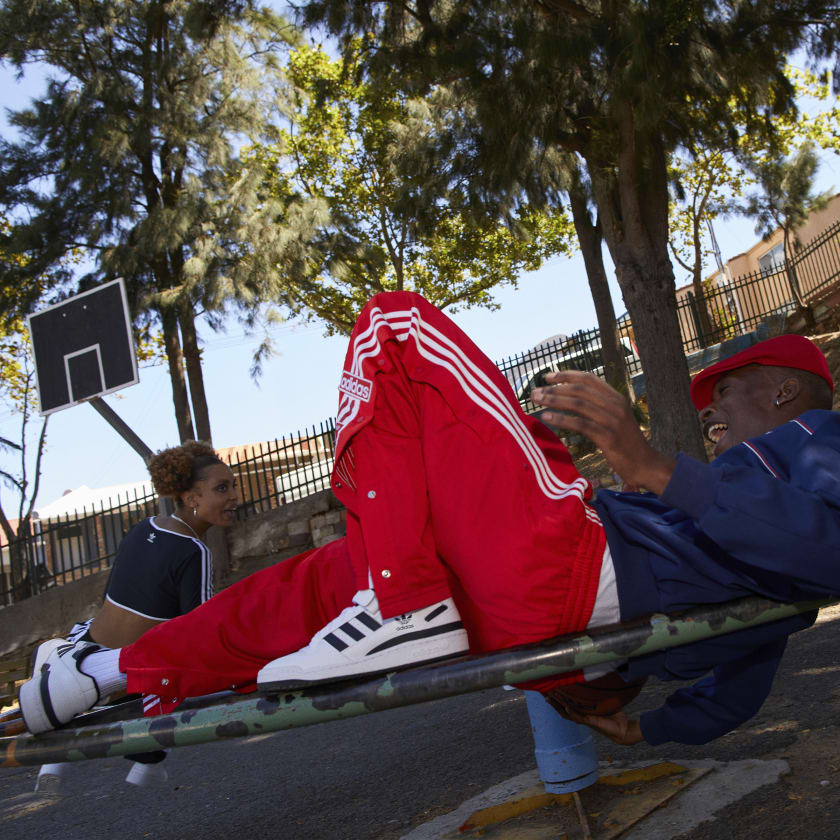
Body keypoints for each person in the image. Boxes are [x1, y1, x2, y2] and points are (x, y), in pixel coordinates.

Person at [18, 291, 840, 747]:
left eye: (722, 396)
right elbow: (740, 686)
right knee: (315, 583)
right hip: (549, 603)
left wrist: (655, 466)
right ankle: (102, 676)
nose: (712, 417)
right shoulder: (768, 523)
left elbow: (825, 552)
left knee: (395, 326)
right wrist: (642, 723)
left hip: (579, 563)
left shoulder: (821, 439)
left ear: (783, 393)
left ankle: (407, 604)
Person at [33, 440, 238, 784]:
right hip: (128, 668)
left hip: (83, 647)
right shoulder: (194, 551)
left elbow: (118, 597)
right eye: (222, 488)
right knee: (197, 662)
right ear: (191, 498)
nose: (234, 496)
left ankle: (57, 758)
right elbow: (197, 627)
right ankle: (147, 761)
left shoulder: (144, 527)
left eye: (233, 485)